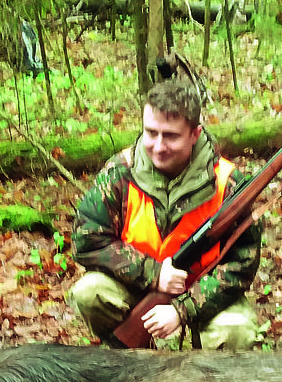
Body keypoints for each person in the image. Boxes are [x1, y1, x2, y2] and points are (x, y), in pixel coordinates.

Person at [70, 81, 261, 349]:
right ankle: (124, 356)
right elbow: (86, 240)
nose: (158, 146)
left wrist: (183, 310)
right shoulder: (120, 173)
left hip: (201, 297)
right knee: (88, 293)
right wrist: (153, 273)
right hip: (137, 289)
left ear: (195, 134)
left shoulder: (228, 184)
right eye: (151, 132)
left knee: (238, 331)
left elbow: (241, 266)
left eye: (170, 136)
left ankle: (199, 381)